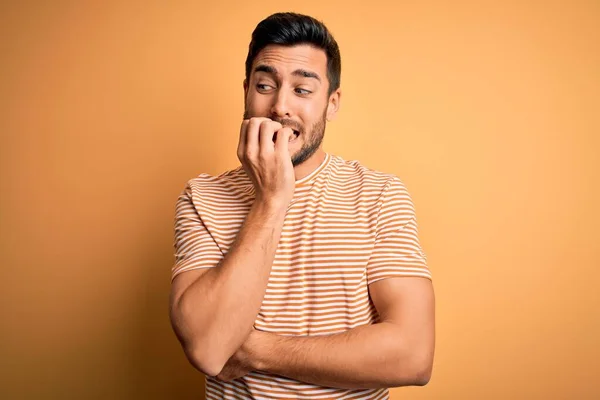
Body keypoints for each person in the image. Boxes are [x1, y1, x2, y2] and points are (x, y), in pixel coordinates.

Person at [169, 12, 435, 400]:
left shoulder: (379, 194)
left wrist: (253, 351)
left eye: (302, 90)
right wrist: (272, 200)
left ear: (332, 103)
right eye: (264, 85)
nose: (279, 107)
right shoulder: (202, 197)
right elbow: (209, 348)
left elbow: (413, 356)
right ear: (246, 91)